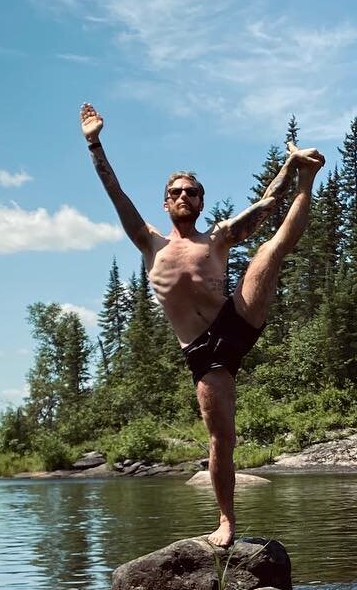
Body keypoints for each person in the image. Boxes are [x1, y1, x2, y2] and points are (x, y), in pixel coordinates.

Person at [81, 102, 325, 548]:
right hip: (202, 352)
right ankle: (226, 521)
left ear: (201, 201)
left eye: (191, 192)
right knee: (221, 438)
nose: (183, 197)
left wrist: (291, 165)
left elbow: (268, 204)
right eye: (176, 192)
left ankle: (309, 179)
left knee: (270, 250)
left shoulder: (218, 237)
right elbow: (116, 194)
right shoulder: (149, 243)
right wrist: (95, 143)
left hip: (235, 319)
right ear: (165, 201)